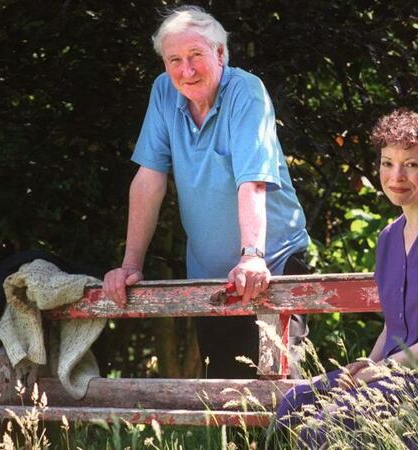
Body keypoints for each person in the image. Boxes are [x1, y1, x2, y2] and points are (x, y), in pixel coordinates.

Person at [102, 5, 310, 379]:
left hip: (273, 262)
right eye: (174, 59)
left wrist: (252, 257)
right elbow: (149, 178)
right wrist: (130, 264)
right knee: (227, 396)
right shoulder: (164, 92)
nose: (186, 70)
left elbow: (252, 181)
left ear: (219, 53)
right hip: (210, 275)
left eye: (196, 55)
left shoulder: (245, 91)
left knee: (283, 396)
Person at [275, 109, 418, 442]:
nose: (395, 176)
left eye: (410, 164)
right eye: (387, 163)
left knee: (328, 425)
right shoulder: (389, 238)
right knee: (295, 404)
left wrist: (384, 369)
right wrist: (368, 365)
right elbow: (394, 326)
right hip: (400, 370)